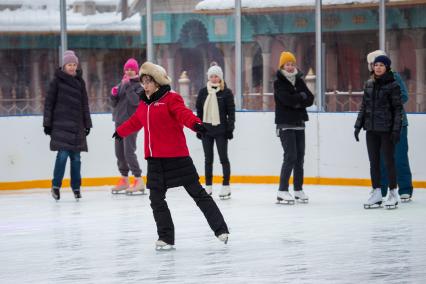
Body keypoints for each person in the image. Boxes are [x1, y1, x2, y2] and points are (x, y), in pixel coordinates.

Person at [113, 62, 229, 250]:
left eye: (149, 81)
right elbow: (136, 121)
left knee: (198, 194)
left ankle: (220, 229)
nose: (146, 85)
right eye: (143, 81)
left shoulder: (171, 98)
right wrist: (121, 131)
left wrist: (196, 125)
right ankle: (166, 237)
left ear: (158, 82)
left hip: (177, 158)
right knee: (156, 200)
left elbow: (183, 114)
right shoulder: (144, 103)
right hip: (155, 160)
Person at [355, 55, 403, 209]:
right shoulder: (369, 84)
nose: (378, 67)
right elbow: (364, 107)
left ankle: (393, 192)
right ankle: (376, 193)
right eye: (376, 65)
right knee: (373, 162)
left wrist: (396, 130)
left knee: (389, 161)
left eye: (382, 65)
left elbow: (398, 109)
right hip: (371, 129)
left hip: (386, 130)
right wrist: (358, 126)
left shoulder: (393, 85)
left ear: (387, 67)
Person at [43, 50, 92, 201]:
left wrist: (87, 123)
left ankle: (76, 188)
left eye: (74, 64)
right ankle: (56, 186)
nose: (72, 67)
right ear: (64, 66)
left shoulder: (80, 82)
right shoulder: (56, 82)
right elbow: (49, 104)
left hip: (77, 126)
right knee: (62, 156)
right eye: (69, 64)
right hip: (60, 125)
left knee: (76, 159)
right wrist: (47, 124)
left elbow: (85, 104)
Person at [366, 50, 413, 202]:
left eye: (378, 64)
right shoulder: (372, 81)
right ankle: (381, 189)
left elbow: (404, 96)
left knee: (399, 157)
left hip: (398, 124)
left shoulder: (395, 77)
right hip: (380, 126)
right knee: (381, 159)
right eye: (373, 64)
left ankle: (405, 189)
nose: (375, 67)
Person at [273, 51, 314, 205]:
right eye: (287, 64)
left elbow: (310, 98)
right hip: (285, 124)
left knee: (299, 158)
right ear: (282, 66)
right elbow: (286, 100)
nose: (290, 67)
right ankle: (282, 190)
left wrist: (298, 99)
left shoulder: (299, 80)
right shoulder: (278, 82)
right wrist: (299, 98)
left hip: (299, 123)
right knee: (290, 156)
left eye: (292, 64)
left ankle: (298, 189)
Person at [195, 62, 235, 199]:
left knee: (223, 158)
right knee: (208, 159)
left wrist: (230, 129)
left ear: (220, 77)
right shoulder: (203, 92)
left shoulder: (226, 93)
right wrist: (198, 128)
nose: (214, 79)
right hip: (206, 130)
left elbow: (231, 113)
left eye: (216, 76)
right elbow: (199, 111)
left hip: (221, 131)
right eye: (211, 76)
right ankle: (208, 186)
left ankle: (226, 186)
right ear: (208, 77)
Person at [110, 58, 145, 195]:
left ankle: (138, 179)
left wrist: (128, 86)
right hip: (119, 122)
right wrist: (113, 95)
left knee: (128, 152)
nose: (129, 71)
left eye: (132, 69)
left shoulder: (139, 86)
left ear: (136, 71)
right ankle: (124, 179)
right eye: (127, 69)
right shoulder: (121, 84)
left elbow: (135, 101)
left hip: (132, 123)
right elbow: (114, 104)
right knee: (119, 152)